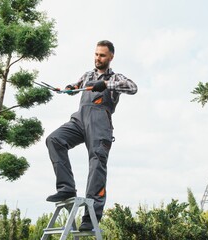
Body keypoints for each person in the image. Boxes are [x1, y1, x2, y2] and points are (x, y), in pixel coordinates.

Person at [45, 40, 138, 231]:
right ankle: (66, 188)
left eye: (102, 55)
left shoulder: (115, 76)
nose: (98, 58)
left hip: (100, 122)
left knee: (96, 163)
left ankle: (91, 217)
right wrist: (68, 88)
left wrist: (105, 84)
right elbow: (76, 85)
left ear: (111, 57)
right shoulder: (87, 74)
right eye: (96, 54)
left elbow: (132, 87)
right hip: (80, 119)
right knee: (54, 140)